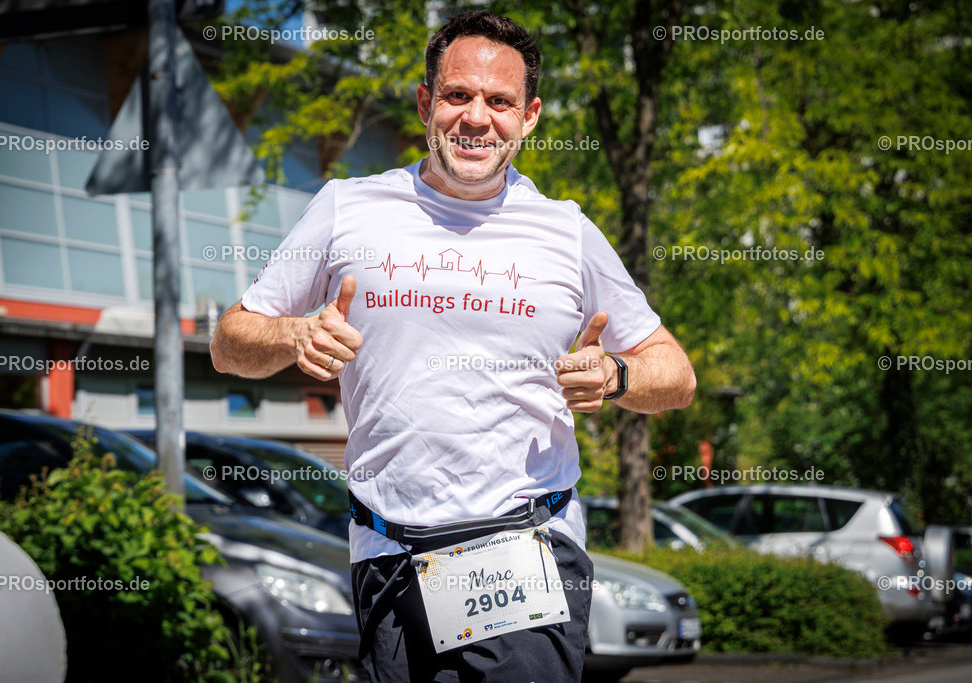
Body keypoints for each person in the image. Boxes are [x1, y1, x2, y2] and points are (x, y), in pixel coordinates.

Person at [210, 9, 696, 681]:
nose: (477, 117)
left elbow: (675, 371)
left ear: (529, 117)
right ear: (424, 104)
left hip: (520, 546)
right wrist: (293, 333)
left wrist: (615, 373)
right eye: (458, 95)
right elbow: (230, 342)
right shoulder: (347, 206)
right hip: (384, 546)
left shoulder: (566, 230)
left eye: (499, 101)